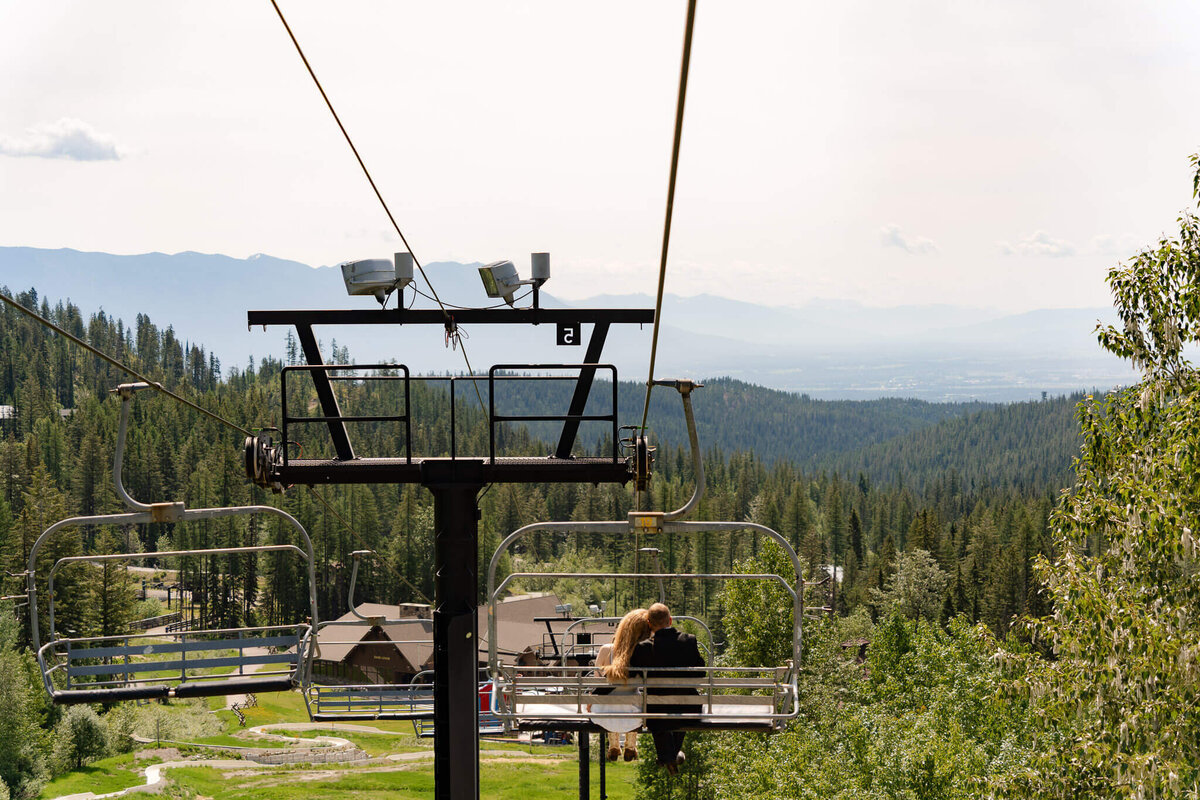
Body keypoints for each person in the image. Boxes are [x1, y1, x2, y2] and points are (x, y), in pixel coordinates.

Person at [630, 602, 704, 775]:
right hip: (689, 709)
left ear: (649, 623)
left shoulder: (643, 648)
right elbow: (700, 672)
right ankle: (669, 756)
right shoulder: (689, 640)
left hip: (657, 710)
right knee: (678, 706)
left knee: (657, 713)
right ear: (670, 620)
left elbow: (634, 676)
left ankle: (667, 756)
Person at [591, 608, 649, 761]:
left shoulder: (606, 650)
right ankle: (630, 746)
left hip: (605, 716)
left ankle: (614, 746)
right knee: (634, 701)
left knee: (611, 699)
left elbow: (597, 683)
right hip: (634, 717)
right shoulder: (644, 652)